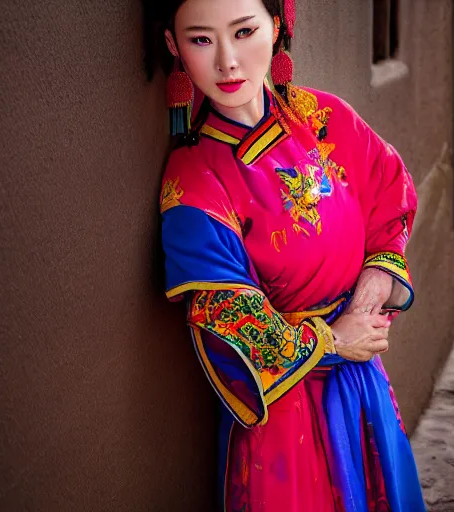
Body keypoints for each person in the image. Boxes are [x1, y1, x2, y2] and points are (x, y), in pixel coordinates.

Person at [145, 0, 426, 509]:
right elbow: (226, 314)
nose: (228, 61)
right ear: (173, 47)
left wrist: (377, 279)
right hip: (285, 410)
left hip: (361, 379)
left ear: (277, 26)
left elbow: (390, 194)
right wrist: (333, 340)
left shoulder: (324, 117)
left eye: (244, 31)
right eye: (202, 39)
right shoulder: (194, 181)